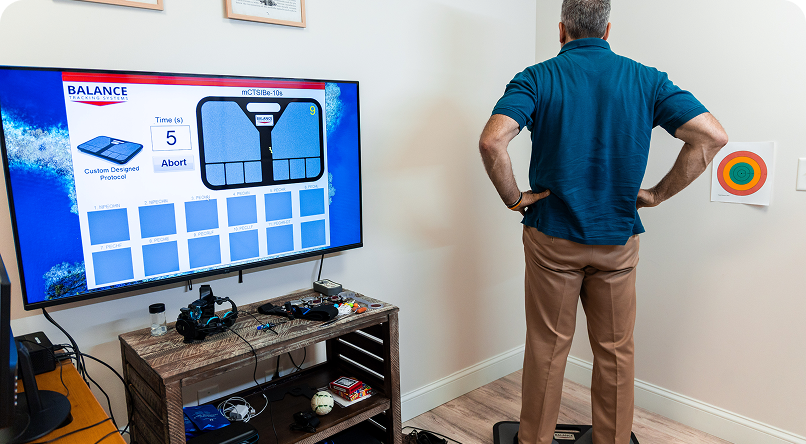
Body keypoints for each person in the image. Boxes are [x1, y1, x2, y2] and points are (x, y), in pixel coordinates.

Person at [478, 1, 728, 443]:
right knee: (615, 352)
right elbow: (711, 136)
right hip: (617, 241)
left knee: (548, 349)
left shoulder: (536, 77)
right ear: (608, 29)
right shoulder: (647, 80)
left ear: (561, 30)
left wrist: (515, 199)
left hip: (552, 238)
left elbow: (493, 140)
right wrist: (654, 195)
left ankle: (534, 440)